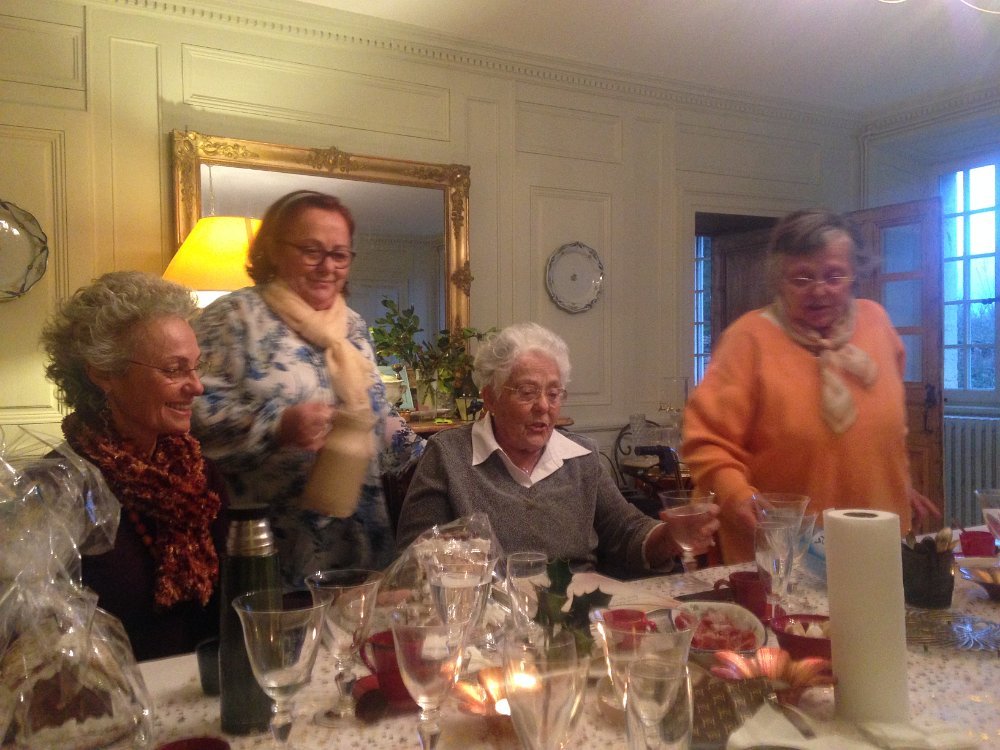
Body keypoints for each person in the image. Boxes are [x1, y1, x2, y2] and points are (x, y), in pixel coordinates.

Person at [191, 190, 423, 585]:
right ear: (273, 249)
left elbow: (375, 413)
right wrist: (277, 426)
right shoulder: (232, 318)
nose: (327, 266)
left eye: (339, 254)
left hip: (359, 541)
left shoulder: (351, 325)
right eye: (311, 251)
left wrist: (435, 459)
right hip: (270, 545)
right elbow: (190, 418)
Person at [682, 208, 939, 563]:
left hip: (877, 539)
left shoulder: (877, 323)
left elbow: (887, 429)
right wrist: (737, 495)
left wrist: (896, 483)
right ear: (778, 279)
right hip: (785, 548)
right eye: (802, 278)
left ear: (854, 274)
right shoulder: (748, 339)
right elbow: (706, 441)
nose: (819, 291)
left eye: (834, 276)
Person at [395, 322, 719, 577]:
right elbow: (412, 561)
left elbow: (626, 531)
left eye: (553, 394)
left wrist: (670, 537)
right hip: (487, 619)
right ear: (491, 398)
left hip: (576, 616)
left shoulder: (582, 457)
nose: (544, 407)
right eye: (527, 392)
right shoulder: (448, 456)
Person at [40, 271, 226, 660]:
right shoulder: (57, 489)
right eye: (173, 370)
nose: (197, 386)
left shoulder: (199, 477)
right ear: (103, 372)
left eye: (197, 366)